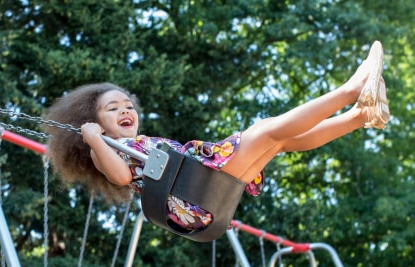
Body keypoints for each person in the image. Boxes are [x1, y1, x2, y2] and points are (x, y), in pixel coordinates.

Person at [45, 41, 389, 232]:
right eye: (112, 109)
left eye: (128, 106)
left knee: (280, 141)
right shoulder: (101, 148)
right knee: (266, 129)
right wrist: (92, 140)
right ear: (95, 123)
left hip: (205, 191)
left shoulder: (136, 142)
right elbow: (120, 176)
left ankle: (361, 116)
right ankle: (353, 89)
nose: (125, 111)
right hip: (194, 193)